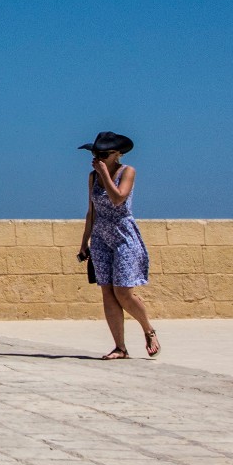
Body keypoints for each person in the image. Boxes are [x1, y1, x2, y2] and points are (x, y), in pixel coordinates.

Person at [76, 132, 159, 359]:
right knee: (107, 292)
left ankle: (148, 330)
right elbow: (91, 210)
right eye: (95, 154)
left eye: (103, 154)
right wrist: (85, 243)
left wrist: (105, 173)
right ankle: (120, 347)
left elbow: (118, 198)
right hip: (101, 237)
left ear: (116, 154)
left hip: (124, 235)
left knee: (123, 292)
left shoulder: (127, 172)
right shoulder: (93, 177)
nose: (97, 158)